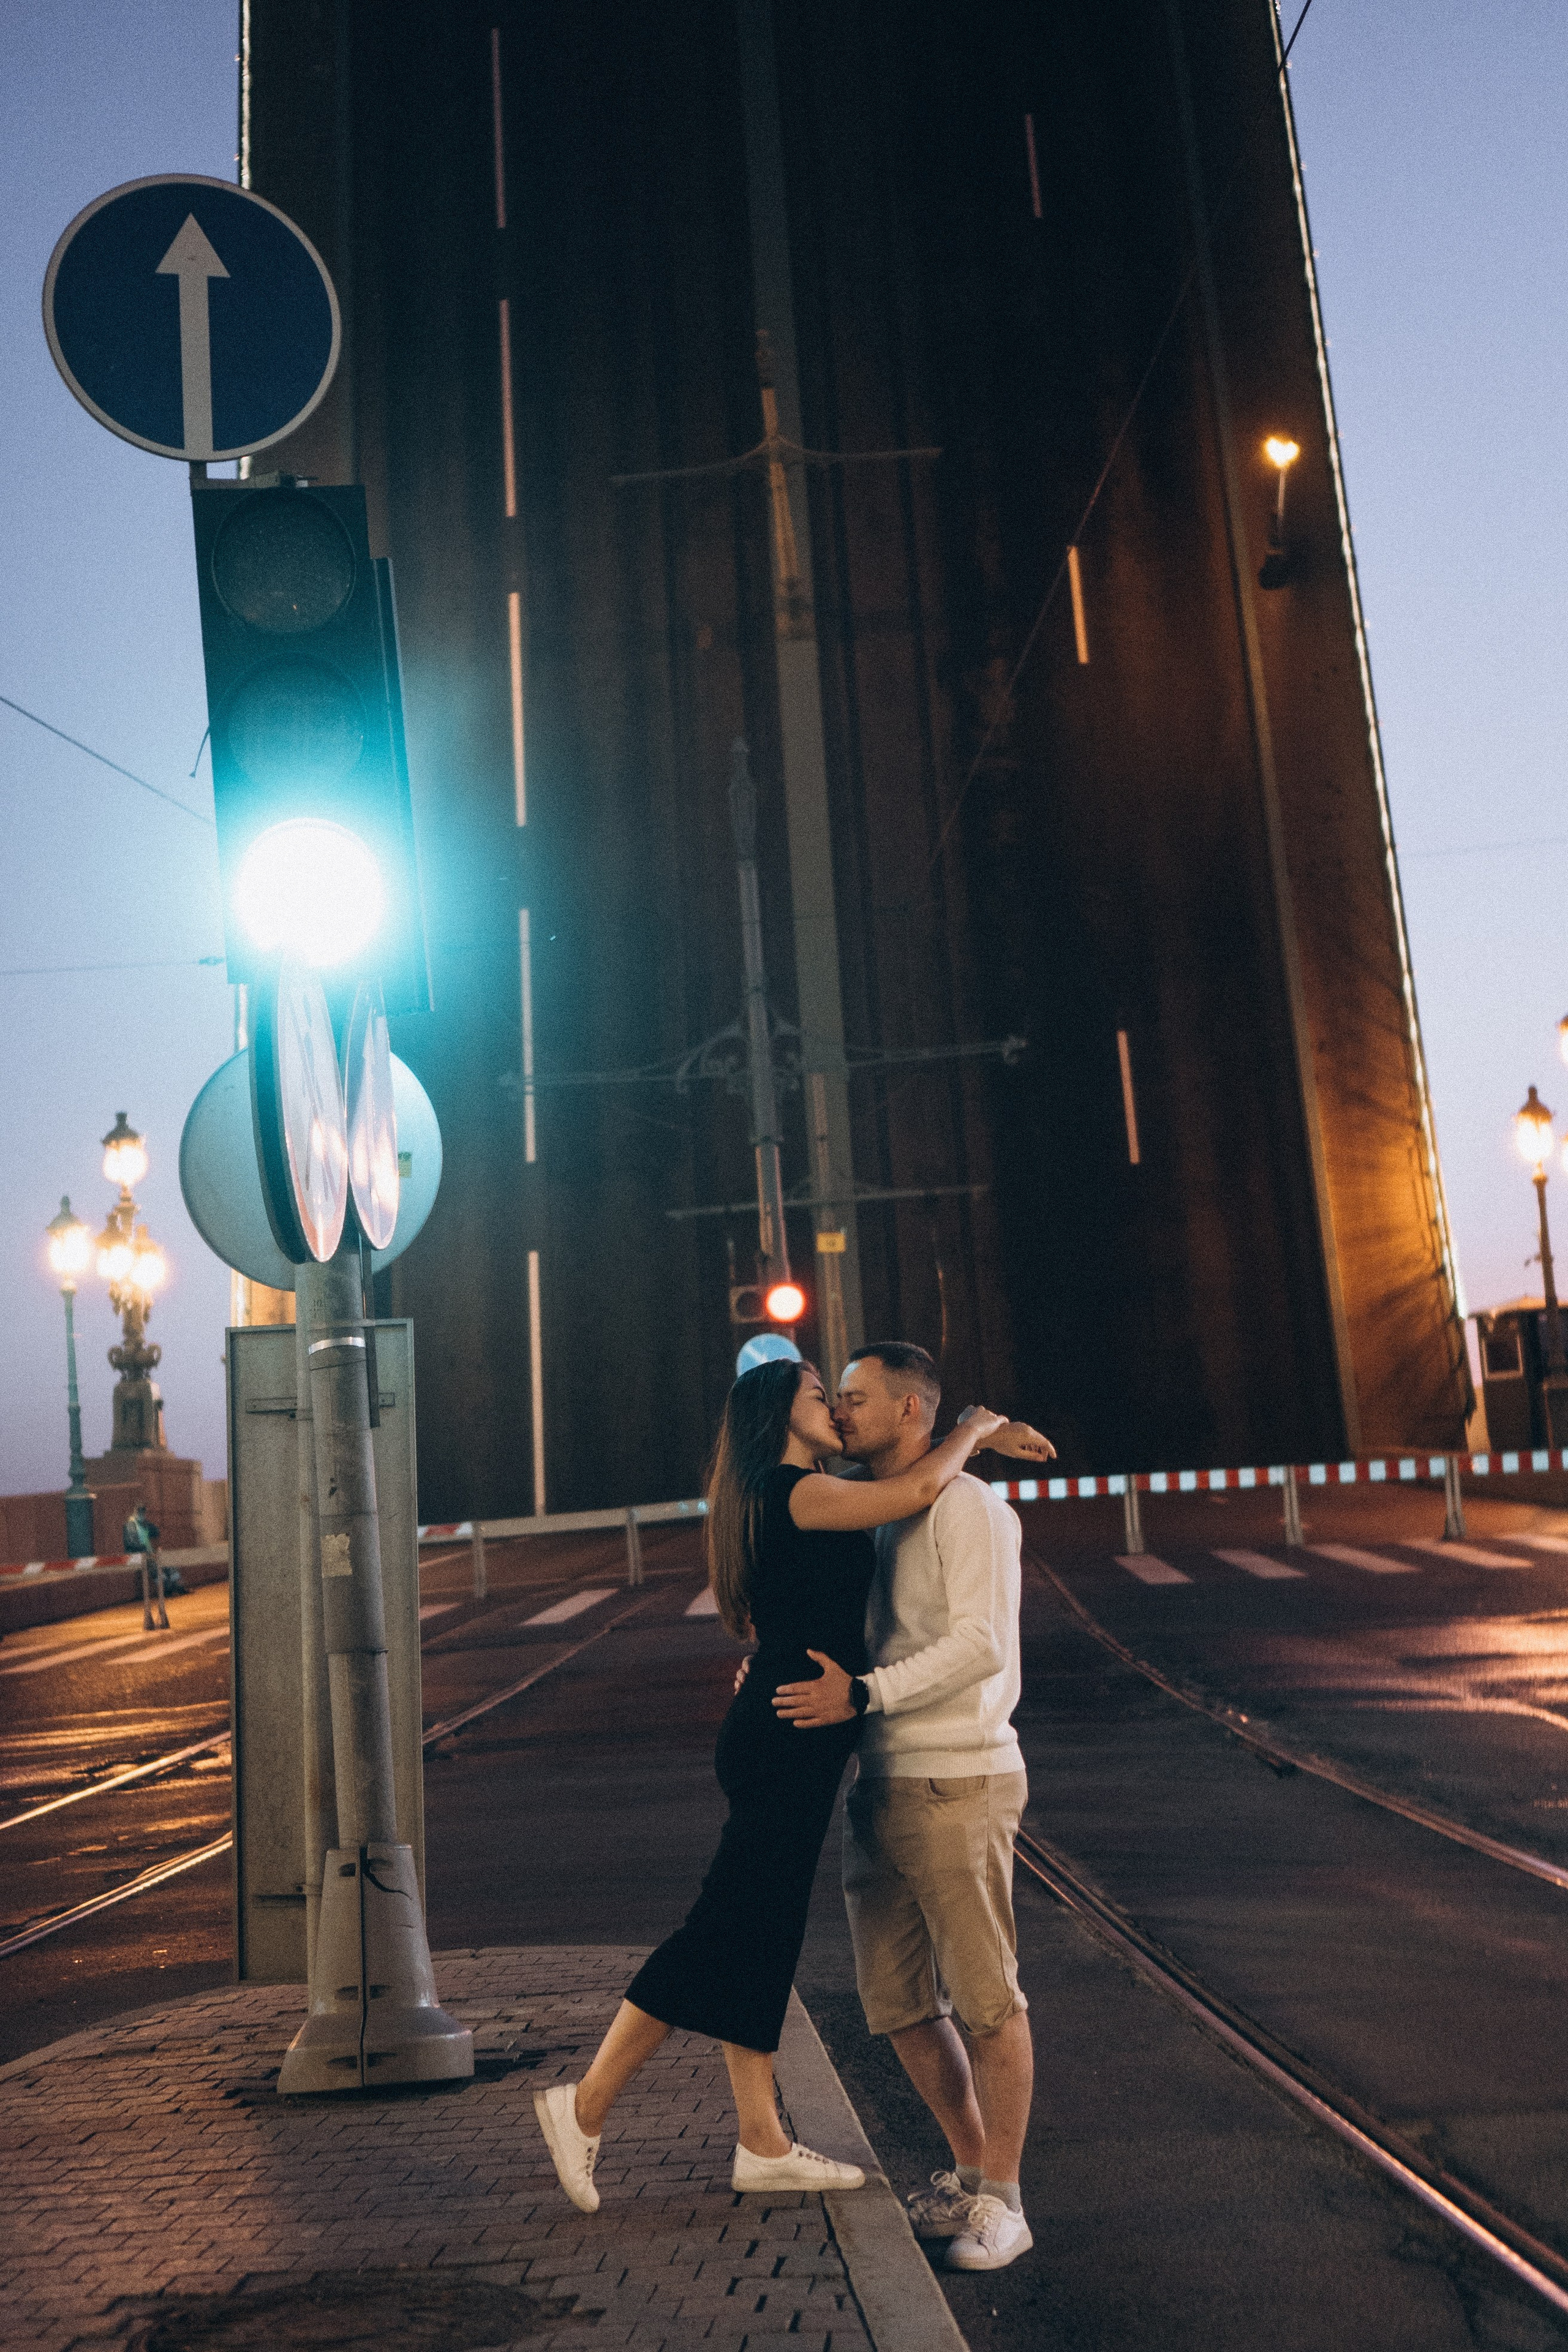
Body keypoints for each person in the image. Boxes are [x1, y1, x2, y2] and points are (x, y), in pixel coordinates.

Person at [532, 1356, 1017, 2215]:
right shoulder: (797, 1490)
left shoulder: (791, 1491)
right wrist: (976, 1429)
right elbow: (911, 1496)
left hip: (790, 1723)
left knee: (760, 1929)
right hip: (793, 1730)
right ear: (779, 1416)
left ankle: (761, 2141)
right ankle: (583, 2106)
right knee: (723, 1926)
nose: (831, 1406)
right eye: (817, 1396)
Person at [772, 1343, 1042, 2274]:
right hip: (880, 1781)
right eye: (834, 1399)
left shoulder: (967, 1507)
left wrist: (868, 1695)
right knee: (895, 2005)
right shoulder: (884, 1511)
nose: (839, 1414)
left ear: (911, 1412)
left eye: (854, 1399)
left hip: (959, 1777)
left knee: (987, 2000)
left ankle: (1004, 2202)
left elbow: (978, 1647)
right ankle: (969, 2170)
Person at [124, 1502, 168, 1632]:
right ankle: (165, 1587)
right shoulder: (131, 1525)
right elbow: (131, 1542)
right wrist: (143, 1549)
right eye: (141, 1513)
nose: (142, 1515)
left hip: (148, 1554)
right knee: (155, 1570)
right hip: (139, 1555)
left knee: (166, 1568)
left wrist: (148, 1524)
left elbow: (156, 1532)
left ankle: (172, 1585)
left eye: (144, 1513)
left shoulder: (143, 1524)